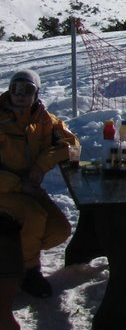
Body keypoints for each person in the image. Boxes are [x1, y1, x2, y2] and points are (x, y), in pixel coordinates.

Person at [0, 69, 78, 299]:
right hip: (5, 188)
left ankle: (16, 249)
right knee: (35, 216)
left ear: (37, 94)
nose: (21, 95)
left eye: (28, 90)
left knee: (59, 230)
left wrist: (41, 165)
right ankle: (28, 271)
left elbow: (72, 145)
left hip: (29, 187)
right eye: (16, 89)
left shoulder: (43, 119)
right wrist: (17, 184)